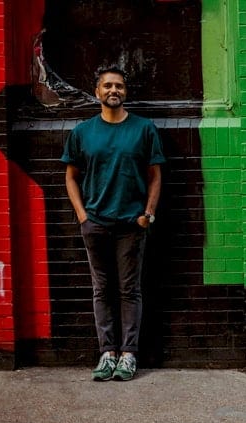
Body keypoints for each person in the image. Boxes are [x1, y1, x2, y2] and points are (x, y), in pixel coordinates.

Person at [61, 65, 165, 381]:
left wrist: (148, 213)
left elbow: (155, 175)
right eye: (107, 86)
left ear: (125, 91)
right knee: (101, 289)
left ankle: (128, 355)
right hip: (96, 224)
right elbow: (70, 177)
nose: (113, 91)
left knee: (129, 290)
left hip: (132, 225)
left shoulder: (144, 129)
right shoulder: (82, 133)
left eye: (118, 86)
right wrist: (82, 216)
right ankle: (107, 353)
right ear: (97, 92)